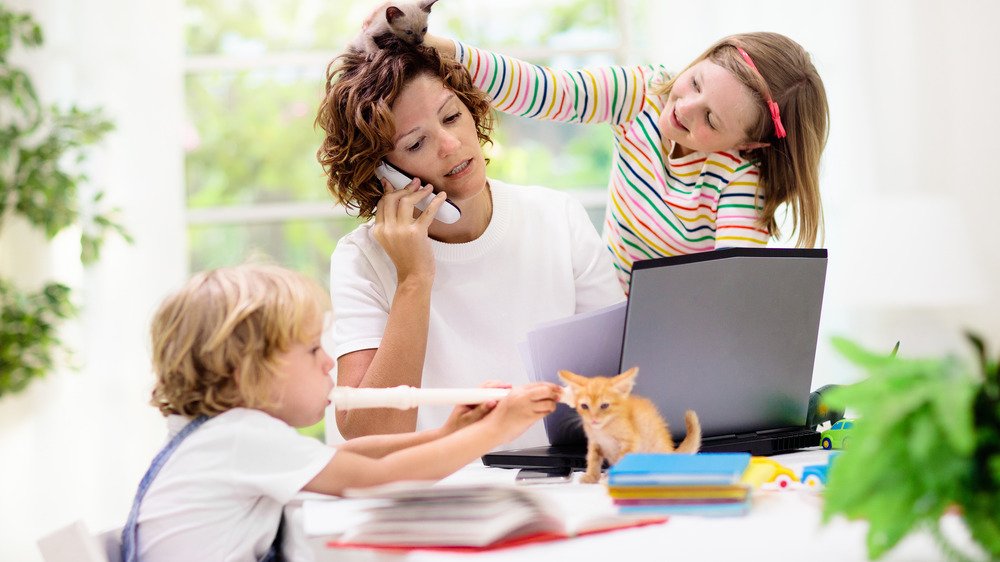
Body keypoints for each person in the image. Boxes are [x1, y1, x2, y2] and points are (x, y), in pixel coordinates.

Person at [121, 263, 560, 561]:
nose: (329, 362)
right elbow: (373, 481)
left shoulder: (218, 437)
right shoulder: (239, 436)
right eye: (312, 349)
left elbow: (353, 460)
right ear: (247, 373)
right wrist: (496, 431)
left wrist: (447, 433)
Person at [315, 38, 624, 446]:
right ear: (380, 174)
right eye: (415, 143)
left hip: (557, 484)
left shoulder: (557, 217)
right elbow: (369, 437)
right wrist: (413, 279)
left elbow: (622, 384)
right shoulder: (362, 260)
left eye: (451, 116)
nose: (450, 144)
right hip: (430, 494)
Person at [423, 32, 830, 292]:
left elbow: (731, 287)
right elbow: (546, 92)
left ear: (750, 144)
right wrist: (445, 49)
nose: (684, 108)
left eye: (711, 119)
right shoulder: (643, 93)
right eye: (695, 82)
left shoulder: (741, 178)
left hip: (672, 329)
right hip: (602, 301)